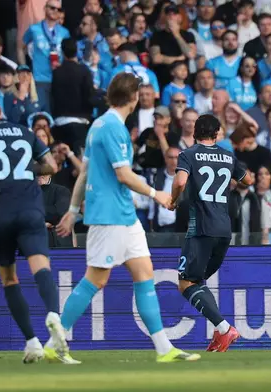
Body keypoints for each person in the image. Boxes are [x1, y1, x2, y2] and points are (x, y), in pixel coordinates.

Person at [54, 73, 199, 364]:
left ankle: (163, 349)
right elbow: (122, 174)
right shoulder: (113, 129)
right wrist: (155, 193)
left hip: (124, 215)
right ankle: (55, 338)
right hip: (111, 216)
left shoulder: (98, 125)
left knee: (145, 273)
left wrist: (71, 211)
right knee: (96, 278)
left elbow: (84, 172)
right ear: (133, 98)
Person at [0, 88, 69, 363]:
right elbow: (50, 166)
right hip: (30, 209)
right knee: (41, 267)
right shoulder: (24, 131)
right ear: (0, 108)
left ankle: (32, 342)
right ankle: (53, 316)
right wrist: (23, 171)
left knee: (10, 278)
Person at [168, 114, 253, 352]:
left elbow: (180, 182)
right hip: (224, 229)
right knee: (198, 281)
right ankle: (219, 333)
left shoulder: (188, 154)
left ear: (195, 132)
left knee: (186, 283)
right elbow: (248, 180)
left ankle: (225, 328)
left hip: (201, 228)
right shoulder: (228, 156)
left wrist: (173, 201)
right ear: (217, 133)